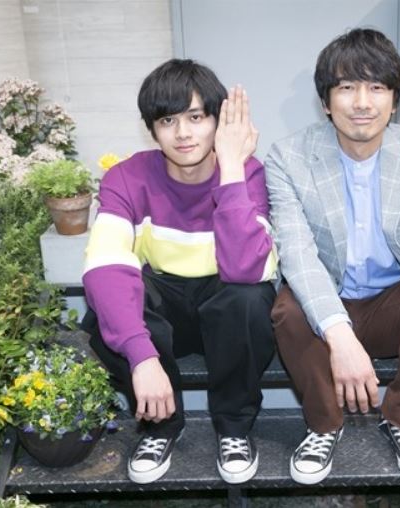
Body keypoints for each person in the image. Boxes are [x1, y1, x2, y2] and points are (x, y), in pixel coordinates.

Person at [265, 28, 400, 485]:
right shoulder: (288, 157)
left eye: (376, 87)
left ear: (394, 100)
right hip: (325, 308)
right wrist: (340, 337)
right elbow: (296, 255)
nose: (362, 102)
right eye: (346, 87)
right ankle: (324, 426)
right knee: (288, 308)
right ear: (326, 101)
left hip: (393, 307)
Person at [81, 59, 278, 485]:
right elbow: (104, 264)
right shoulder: (126, 177)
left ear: (218, 121)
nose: (183, 133)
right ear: (152, 129)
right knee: (108, 307)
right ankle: (161, 426)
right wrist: (142, 358)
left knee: (249, 298)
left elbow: (247, 269)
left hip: (224, 308)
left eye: (196, 117)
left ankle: (234, 428)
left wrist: (231, 171)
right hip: (166, 309)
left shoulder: (248, 174)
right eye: (168, 120)